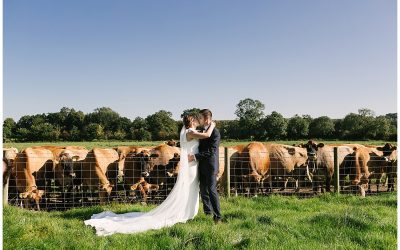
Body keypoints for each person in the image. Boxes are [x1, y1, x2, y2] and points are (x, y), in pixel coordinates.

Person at [84, 113, 216, 236]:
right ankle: (185, 213)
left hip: (190, 164)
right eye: (196, 120)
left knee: (190, 189)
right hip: (190, 165)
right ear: (192, 121)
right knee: (189, 189)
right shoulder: (190, 132)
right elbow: (207, 135)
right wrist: (212, 126)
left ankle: (187, 213)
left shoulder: (186, 132)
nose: (198, 122)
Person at [188, 109, 222, 224]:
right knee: (203, 190)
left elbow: (211, 151)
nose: (201, 121)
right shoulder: (201, 131)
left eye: (202, 118)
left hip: (211, 166)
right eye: (201, 119)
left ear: (208, 119)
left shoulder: (215, 132)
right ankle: (208, 212)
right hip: (201, 166)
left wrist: (195, 157)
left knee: (212, 190)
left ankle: (218, 216)